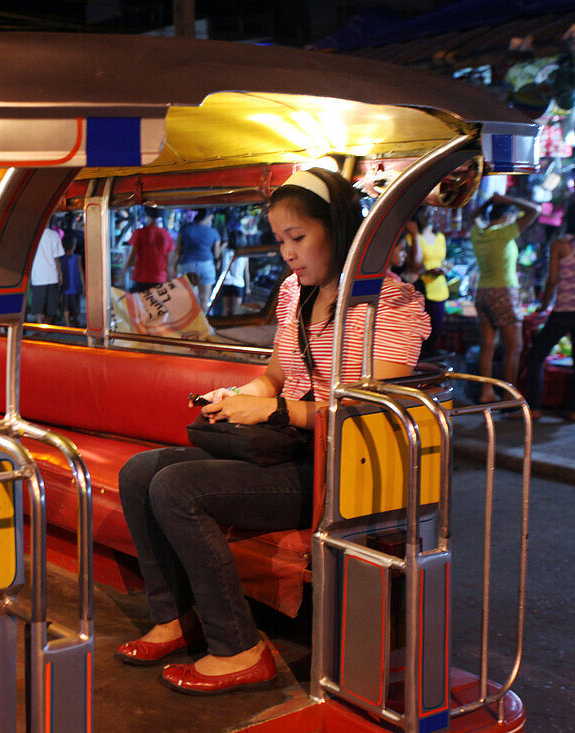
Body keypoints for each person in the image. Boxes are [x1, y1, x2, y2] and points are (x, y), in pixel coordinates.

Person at [115, 168, 429, 696]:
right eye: (281, 239)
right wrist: (245, 397)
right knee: (140, 470)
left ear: (341, 230)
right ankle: (174, 618)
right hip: (285, 451)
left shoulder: (392, 307)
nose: (287, 252)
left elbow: (369, 416)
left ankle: (239, 649)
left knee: (177, 487)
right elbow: (277, 375)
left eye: (299, 237)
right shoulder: (294, 292)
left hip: (337, 473)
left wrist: (278, 412)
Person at [468, 192, 541, 404]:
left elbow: (472, 216)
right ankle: (509, 395)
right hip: (503, 292)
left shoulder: (478, 232)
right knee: (514, 347)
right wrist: (510, 200)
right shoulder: (504, 233)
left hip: (483, 292)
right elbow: (535, 210)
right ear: (507, 216)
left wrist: (489, 203)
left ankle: (486, 392)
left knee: (487, 346)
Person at [525, 233, 575, 420]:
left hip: (563, 311)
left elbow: (552, 279)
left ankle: (535, 407)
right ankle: (572, 410)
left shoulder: (560, 244)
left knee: (536, 356)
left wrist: (544, 306)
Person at [405, 208, 450, 358]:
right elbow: (413, 264)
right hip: (422, 287)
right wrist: (429, 271)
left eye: (432, 211)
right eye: (425, 211)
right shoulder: (412, 238)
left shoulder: (440, 237)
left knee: (435, 332)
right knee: (422, 334)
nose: (429, 214)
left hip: (440, 288)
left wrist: (443, 268)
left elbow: (441, 260)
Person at [123, 206, 175, 293]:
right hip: (159, 278)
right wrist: (170, 278)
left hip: (141, 277)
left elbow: (132, 255)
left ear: (146, 214)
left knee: (139, 305)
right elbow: (169, 261)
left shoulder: (139, 233)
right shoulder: (166, 235)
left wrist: (125, 269)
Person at [175, 209, 220, 310]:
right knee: (204, 299)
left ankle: (188, 322)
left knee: (187, 298)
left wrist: (174, 266)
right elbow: (216, 254)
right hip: (206, 265)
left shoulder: (185, 228)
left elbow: (178, 250)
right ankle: (203, 323)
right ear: (208, 217)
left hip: (188, 264)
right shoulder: (213, 232)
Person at [29, 219, 63, 323]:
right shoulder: (54, 235)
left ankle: (40, 323)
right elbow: (57, 258)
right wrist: (60, 274)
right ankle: (49, 323)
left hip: (37, 275)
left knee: (38, 303)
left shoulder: (32, 235)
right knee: (51, 302)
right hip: (52, 275)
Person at [58, 237, 85, 327]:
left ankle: (67, 323)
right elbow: (81, 271)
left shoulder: (61, 258)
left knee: (65, 305)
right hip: (75, 285)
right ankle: (74, 320)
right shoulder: (78, 257)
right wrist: (83, 285)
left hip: (65, 285)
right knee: (75, 305)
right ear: (74, 246)